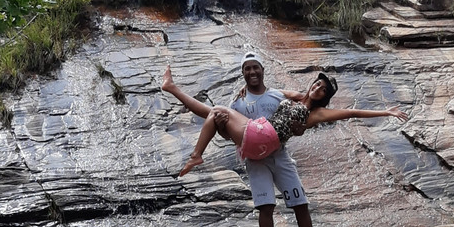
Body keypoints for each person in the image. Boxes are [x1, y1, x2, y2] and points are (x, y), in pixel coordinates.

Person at [162, 53, 320, 227]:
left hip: (280, 155)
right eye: (247, 69)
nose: (252, 72)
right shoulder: (238, 103)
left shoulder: (279, 95)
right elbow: (229, 136)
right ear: (243, 73)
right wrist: (219, 127)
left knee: (300, 203)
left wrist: (301, 128)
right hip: (255, 160)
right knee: (266, 206)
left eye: (256, 67)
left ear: (263, 70)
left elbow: (304, 108)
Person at [172, 68, 408, 179]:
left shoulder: (316, 113)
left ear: (324, 96)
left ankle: (196, 155)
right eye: (316, 84)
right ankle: (172, 88)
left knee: (218, 111)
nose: (316, 89)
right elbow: (265, 92)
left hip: (263, 136)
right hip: (262, 141)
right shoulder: (294, 97)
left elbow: (351, 112)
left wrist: (385, 112)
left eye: (322, 90)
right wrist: (246, 88)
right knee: (214, 115)